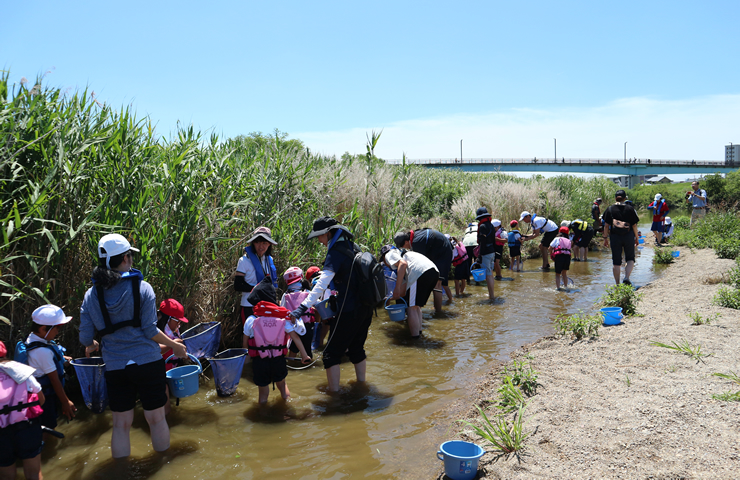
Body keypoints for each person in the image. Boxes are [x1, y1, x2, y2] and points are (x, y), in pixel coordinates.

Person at [79, 233, 187, 459]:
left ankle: (121, 470)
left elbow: (86, 338)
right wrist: (173, 345)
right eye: (129, 255)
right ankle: (162, 466)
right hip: (147, 361)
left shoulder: (91, 295)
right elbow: (149, 330)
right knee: (156, 418)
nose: (131, 259)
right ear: (125, 259)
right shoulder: (143, 288)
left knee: (120, 424)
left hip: (115, 366)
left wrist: (95, 343)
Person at [289, 217, 373, 392]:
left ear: (328, 233)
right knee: (356, 348)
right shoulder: (352, 246)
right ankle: (362, 387)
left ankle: (334, 398)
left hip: (347, 310)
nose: (319, 240)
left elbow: (321, 284)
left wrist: (302, 308)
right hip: (366, 307)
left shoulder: (335, 251)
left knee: (330, 355)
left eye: (319, 236)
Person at [244, 278, 310, 404]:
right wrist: (304, 355)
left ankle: (263, 417)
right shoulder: (282, 319)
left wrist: (247, 360)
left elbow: (245, 344)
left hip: (260, 362)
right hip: (278, 360)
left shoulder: (251, 320)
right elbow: (295, 337)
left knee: (263, 394)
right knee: (283, 387)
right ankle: (287, 410)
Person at [17, 305, 75, 433]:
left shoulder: (32, 339)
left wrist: (62, 359)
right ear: (44, 328)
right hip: (45, 399)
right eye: (57, 328)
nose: (58, 332)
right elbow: (54, 380)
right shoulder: (42, 352)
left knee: (44, 427)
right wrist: (66, 402)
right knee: (48, 429)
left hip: (40, 396)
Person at [0, 341, 45, 480]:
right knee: (34, 474)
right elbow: (41, 399)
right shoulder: (20, 370)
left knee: (7, 476)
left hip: (1, 435)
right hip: (27, 428)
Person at [380, 245, 439, 338]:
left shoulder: (389, 254)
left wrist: (396, 288)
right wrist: (392, 297)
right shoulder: (404, 258)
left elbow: (403, 264)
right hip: (433, 271)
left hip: (420, 272)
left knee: (411, 307)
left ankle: (415, 339)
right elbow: (403, 293)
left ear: (384, 257)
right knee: (416, 306)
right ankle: (419, 334)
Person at [393, 227, 453, 314]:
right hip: (436, 251)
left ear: (406, 242)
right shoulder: (415, 237)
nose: (405, 248)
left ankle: (438, 313)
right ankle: (448, 302)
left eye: (403, 246)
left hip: (443, 253)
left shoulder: (417, 242)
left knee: (438, 283)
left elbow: (419, 267)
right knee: (438, 282)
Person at [234, 226, 279, 324]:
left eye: (264, 243)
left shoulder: (269, 260)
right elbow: (237, 285)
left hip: (266, 305)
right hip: (249, 305)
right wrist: (257, 289)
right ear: (253, 243)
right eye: (257, 242)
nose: (261, 246)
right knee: (250, 335)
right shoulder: (244, 260)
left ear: (269, 244)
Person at [602, 190, 640, 285]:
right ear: (625, 198)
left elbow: (606, 226)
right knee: (630, 258)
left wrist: (605, 238)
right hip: (628, 236)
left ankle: (617, 284)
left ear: (615, 198)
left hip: (615, 237)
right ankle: (626, 277)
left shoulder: (610, 209)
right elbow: (634, 225)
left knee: (616, 262)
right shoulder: (630, 209)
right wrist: (636, 237)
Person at [280, 267, 316, 359]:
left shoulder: (286, 295)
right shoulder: (307, 292)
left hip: (293, 326)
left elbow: (282, 310)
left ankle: (292, 363)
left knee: (293, 349)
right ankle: (308, 366)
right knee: (308, 349)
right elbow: (318, 304)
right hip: (308, 326)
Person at [156, 299, 188, 371]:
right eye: (177, 320)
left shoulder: (175, 331)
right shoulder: (156, 332)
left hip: (174, 370)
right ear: (167, 319)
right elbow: (156, 349)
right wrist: (173, 343)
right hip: (161, 372)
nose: (179, 324)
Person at [474, 207, 497, 301]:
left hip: (486, 253)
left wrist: (479, 256)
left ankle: (491, 296)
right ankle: (491, 294)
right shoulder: (491, 225)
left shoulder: (482, 226)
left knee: (488, 275)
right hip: (491, 251)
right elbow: (493, 240)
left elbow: (482, 242)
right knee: (490, 273)